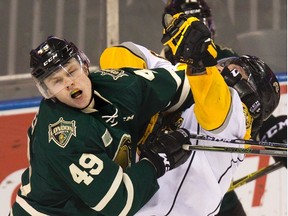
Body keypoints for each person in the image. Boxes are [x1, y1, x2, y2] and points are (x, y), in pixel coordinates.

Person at [99, 12, 280, 216]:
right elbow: (116, 55)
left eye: (235, 69)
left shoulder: (236, 123)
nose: (222, 65)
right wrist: (142, 96)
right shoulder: (185, 83)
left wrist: (200, 61)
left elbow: (216, 106)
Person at [9, 36, 196, 215]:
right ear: (48, 91)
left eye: (71, 71)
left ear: (84, 65)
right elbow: (118, 203)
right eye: (57, 81)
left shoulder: (117, 85)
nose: (69, 82)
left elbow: (183, 86)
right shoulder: (62, 136)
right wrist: (156, 161)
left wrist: (213, 72)